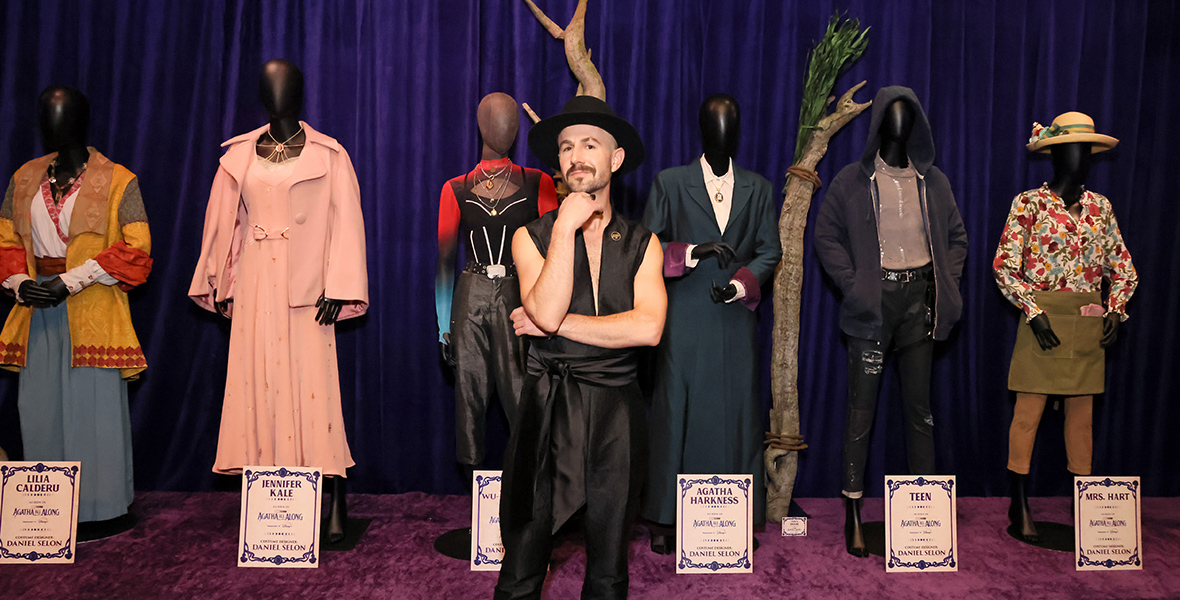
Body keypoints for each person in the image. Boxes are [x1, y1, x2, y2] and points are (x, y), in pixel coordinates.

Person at [494, 96, 666, 599]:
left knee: (609, 558)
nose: (576, 156)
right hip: (547, 405)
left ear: (615, 159)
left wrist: (556, 324)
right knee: (525, 549)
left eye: (591, 144)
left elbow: (648, 329)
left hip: (617, 409)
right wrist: (566, 226)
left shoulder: (644, 243)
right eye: (567, 147)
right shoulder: (531, 236)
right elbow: (541, 312)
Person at [189, 59, 367, 543]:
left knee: (315, 389)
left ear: (300, 92)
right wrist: (218, 282)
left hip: (308, 287)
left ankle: (334, 494)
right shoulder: (238, 156)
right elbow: (223, 222)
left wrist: (342, 285)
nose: (277, 92)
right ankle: (275, 502)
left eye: (285, 84)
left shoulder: (330, 155)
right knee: (258, 385)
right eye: (269, 85)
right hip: (254, 283)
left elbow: (347, 222)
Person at [814, 85, 968, 557]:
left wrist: (944, 279)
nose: (902, 124)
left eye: (910, 116)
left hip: (919, 302)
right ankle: (854, 513)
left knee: (920, 411)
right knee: (861, 413)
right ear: (879, 123)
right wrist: (856, 283)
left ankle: (923, 515)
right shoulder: (851, 181)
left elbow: (957, 239)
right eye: (893, 116)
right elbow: (826, 235)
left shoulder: (934, 181)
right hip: (872, 305)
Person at [0, 86, 152, 539]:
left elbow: (137, 250)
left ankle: (103, 508)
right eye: (46, 114)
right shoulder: (24, 178)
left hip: (93, 310)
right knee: (40, 408)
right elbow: (6, 239)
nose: (53, 122)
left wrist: (72, 280)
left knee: (94, 411)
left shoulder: (119, 180)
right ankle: (47, 517)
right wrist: (18, 282)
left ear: (82, 119)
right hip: (37, 309)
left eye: (62, 113)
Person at [641, 94, 781, 552]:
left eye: (732, 124)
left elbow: (769, 250)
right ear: (702, 130)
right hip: (683, 313)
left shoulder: (758, 188)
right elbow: (647, 249)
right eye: (717, 123)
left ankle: (730, 520)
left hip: (736, 316)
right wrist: (695, 252)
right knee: (677, 408)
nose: (725, 131)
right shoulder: (670, 182)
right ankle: (667, 519)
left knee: (736, 413)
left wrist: (741, 284)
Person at [994, 112, 1137, 543]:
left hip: (1086, 323)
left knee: (1081, 420)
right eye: (1073, 150)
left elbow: (1123, 268)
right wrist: (1033, 312)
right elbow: (1005, 266)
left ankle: (1088, 510)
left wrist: (1114, 308)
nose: (1082, 159)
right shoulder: (1028, 204)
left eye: (1087, 151)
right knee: (1027, 416)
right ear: (1054, 153)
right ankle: (1017, 504)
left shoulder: (1101, 208)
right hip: (1043, 318)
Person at [436, 92, 557, 469]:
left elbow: (554, 255)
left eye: (510, 119)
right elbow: (444, 265)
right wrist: (443, 326)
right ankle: (479, 505)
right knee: (469, 395)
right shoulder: (454, 188)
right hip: (469, 296)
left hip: (517, 298)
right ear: (481, 125)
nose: (504, 125)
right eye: (496, 118)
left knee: (520, 391)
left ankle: (525, 497)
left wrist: (549, 311)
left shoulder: (539, 183)